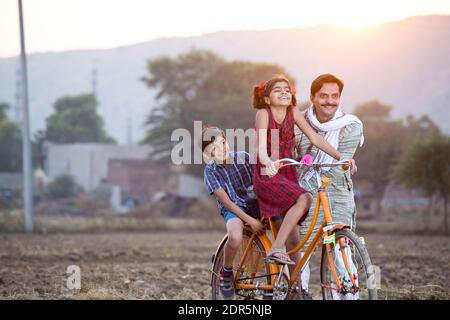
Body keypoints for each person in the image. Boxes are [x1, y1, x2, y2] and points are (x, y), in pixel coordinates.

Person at [252, 75, 345, 269]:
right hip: (267, 175)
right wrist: (269, 162)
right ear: (267, 98)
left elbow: (316, 139)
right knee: (305, 198)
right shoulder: (264, 114)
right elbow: (260, 148)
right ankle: (276, 248)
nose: (284, 92)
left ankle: (295, 291)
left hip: (288, 175)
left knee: (294, 240)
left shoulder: (293, 112)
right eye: (278, 90)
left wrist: (340, 158)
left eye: (287, 89)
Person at [293, 73, 363, 299]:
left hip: (339, 193)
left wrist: (310, 163)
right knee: (301, 248)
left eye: (334, 96)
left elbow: (339, 163)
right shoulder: (298, 123)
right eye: (323, 96)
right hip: (306, 193)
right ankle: (299, 293)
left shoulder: (351, 126)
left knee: (341, 248)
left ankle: (348, 296)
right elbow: (294, 158)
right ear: (313, 97)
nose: (329, 101)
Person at [201, 125, 264, 300]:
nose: (221, 149)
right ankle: (226, 271)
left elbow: (262, 181)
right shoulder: (211, 171)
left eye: (222, 143)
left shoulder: (243, 158)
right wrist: (249, 220)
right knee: (235, 236)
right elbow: (227, 202)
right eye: (214, 149)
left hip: (255, 204)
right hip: (234, 209)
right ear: (209, 154)